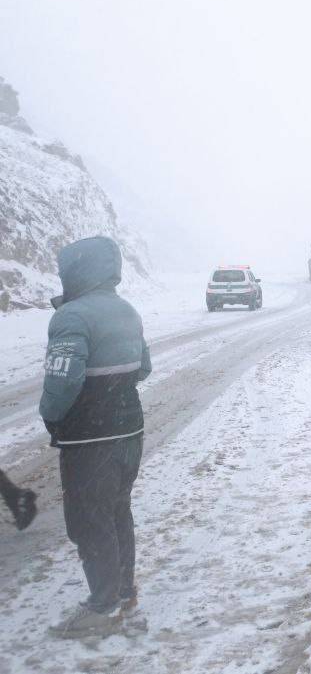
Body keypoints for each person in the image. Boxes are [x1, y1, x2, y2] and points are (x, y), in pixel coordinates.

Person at [40, 236, 151, 638]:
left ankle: (103, 606)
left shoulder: (71, 317)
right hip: (130, 432)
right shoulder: (127, 311)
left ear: (77, 271)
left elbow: (61, 383)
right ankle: (123, 588)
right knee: (117, 510)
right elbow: (144, 367)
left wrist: (51, 417)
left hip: (89, 438)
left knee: (89, 520)